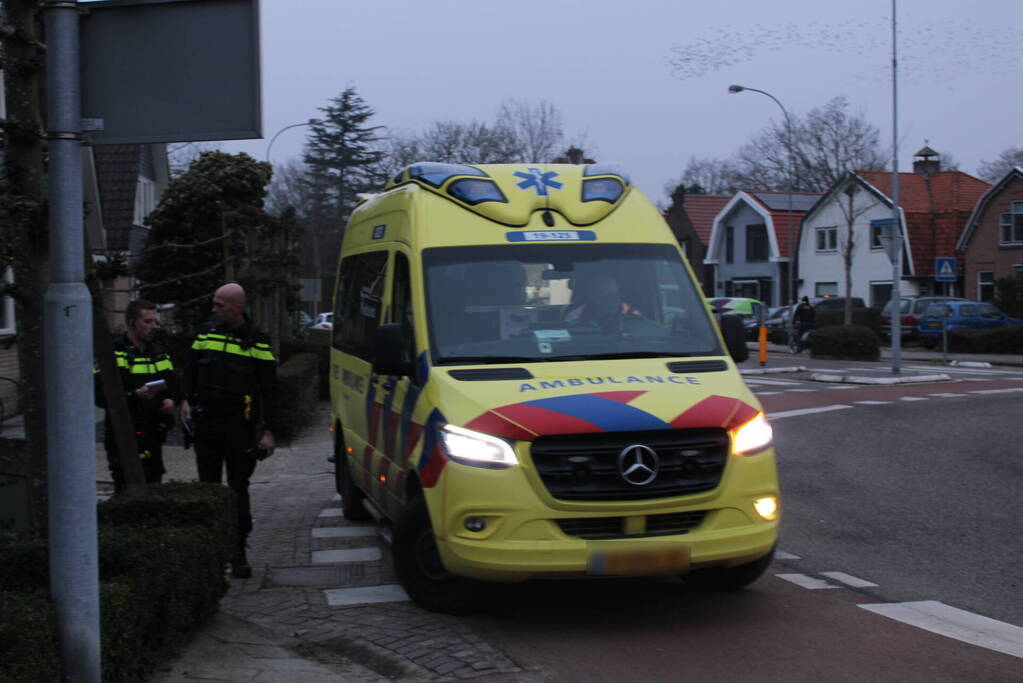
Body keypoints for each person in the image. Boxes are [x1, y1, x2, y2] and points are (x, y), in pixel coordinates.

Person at [180, 283, 277, 579]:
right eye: (214, 303)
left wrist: (268, 431)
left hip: (239, 427)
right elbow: (190, 372)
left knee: (238, 489)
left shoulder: (257, 341)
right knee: (208, 489)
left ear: (237, 308)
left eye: (220, 304)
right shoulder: (205, 335)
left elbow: (270, 391)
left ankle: (238, 553)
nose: (214, 309)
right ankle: (211, 556)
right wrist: (185, 399)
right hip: (207, 424)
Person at [94, 299, 177, 493]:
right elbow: (100, 396)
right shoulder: (114, 352)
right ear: (132, 323)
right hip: (123, 432)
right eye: (147, 322)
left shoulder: (159, 352)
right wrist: (134, 395)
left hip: (153, 431)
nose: (153, 327)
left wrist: (171, 400)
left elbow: (173, 385)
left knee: (154, 481)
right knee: (126, 485)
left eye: (154, 322)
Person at [563, 274, 641, 329]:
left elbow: (644, 326)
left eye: (616, 295)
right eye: (608, 296)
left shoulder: (630, 312)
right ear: (592, 297)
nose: (615, 300)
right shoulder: (575, 317)